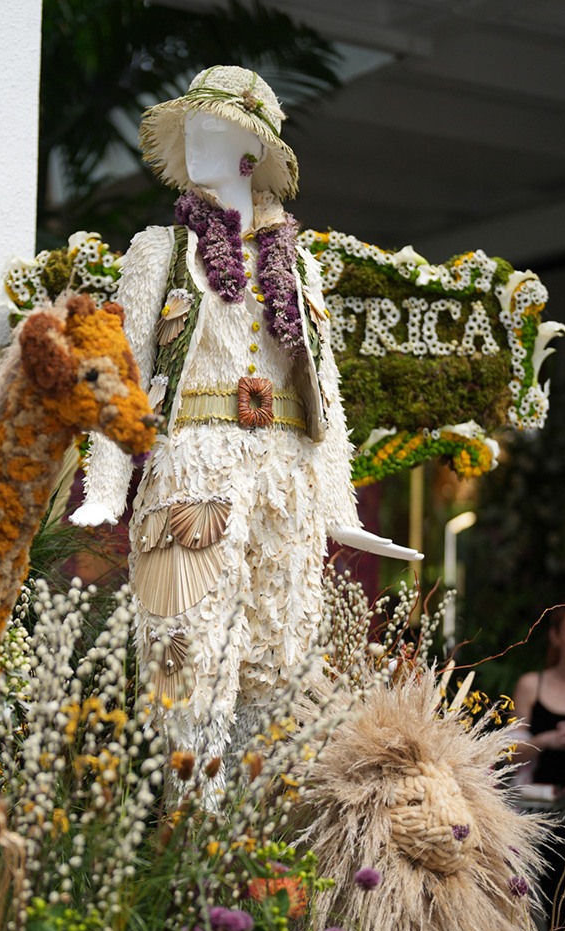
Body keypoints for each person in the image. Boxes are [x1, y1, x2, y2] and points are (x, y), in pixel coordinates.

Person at [71, 66, 419, 780]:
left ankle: (252, 850)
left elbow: (324, 393)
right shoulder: (158, 253)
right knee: (186, 661)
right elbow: (123, 372)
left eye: (216, 131)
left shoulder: (299, 265)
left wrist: (336, 508)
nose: (198, 146)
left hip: (282, 479)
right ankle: (191, 844)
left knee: (278, 659)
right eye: (190, 131)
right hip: (192, 469)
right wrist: (104, 487)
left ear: (251, 152)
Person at [511, 605, 565, 788]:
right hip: (541, 807)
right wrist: (548, 739)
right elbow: (510, 754)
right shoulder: (531, 685)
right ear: (555, 637)